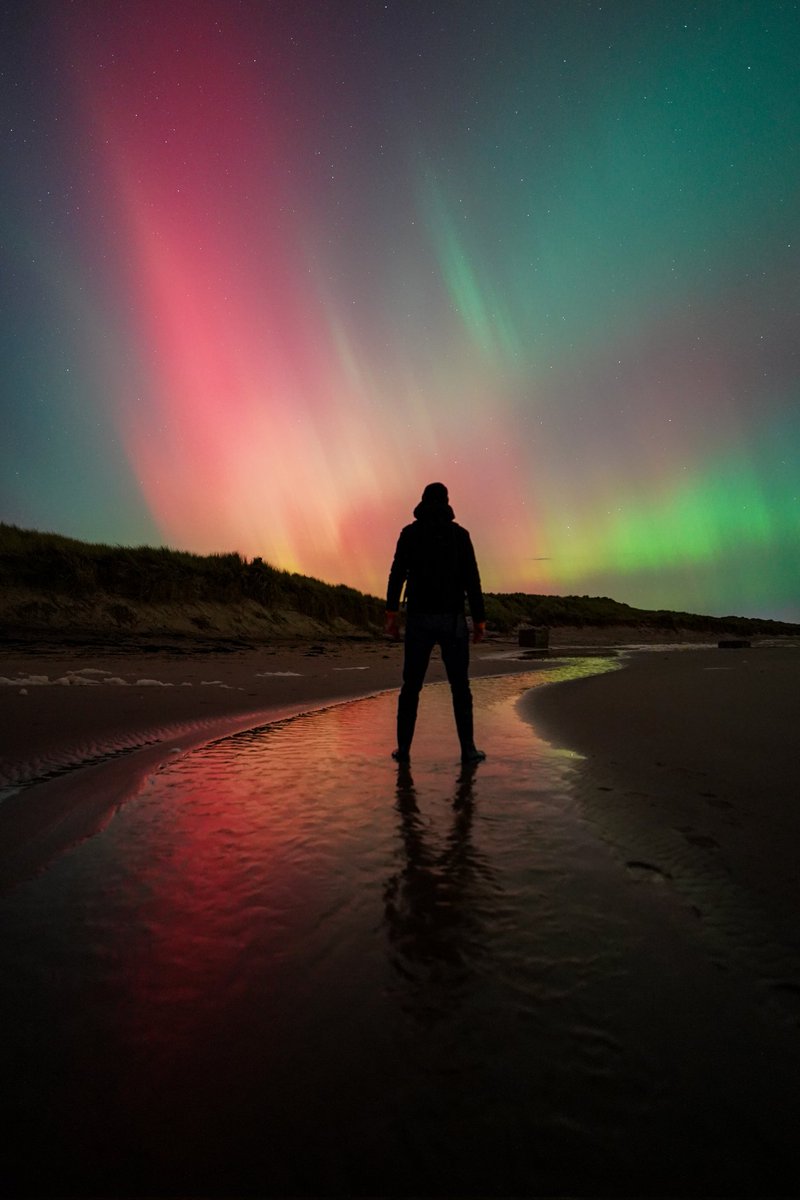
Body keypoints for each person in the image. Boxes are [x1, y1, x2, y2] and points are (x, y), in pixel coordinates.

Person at [385, 482, 487, 764]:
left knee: (411, 686)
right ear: (446, 502)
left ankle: (403, 750)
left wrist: (391, 613)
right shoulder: (459, 535)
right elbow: (472, 580)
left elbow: (397, 575)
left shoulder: (409, 534)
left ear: (422, 501)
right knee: (460, 686)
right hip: (452, 620)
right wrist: (479, 619)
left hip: (418, 620)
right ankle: (468, 749)